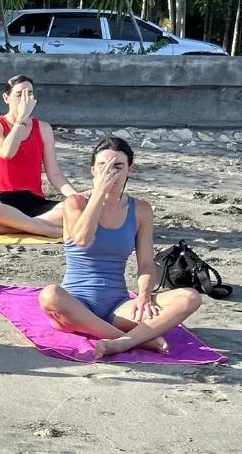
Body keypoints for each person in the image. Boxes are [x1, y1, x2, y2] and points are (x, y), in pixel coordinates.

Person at [39, 135, 202, 360]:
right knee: (49, 295)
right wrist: (99, 192)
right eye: (103, 166)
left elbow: (146, 265)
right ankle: (137, 339)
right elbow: (82, 239)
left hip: (118, 305)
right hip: (76, 304)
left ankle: (122, 342)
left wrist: (143, 297)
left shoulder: (141, 210)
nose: (110, 172)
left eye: (117, 166)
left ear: (129, 170)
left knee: (190, 297)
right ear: (93, 170)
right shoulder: (76, 203)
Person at [0, 73, 76, 239]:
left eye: (29, 94)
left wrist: (75, 197)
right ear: (6, 98)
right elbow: (7, 152)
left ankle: (18, 227)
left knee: (78, 208)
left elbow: (55, 174)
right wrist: (21, 119)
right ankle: (47, 230)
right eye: (19, 94)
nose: (25, 99)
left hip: (33, 201)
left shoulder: (43, 128)